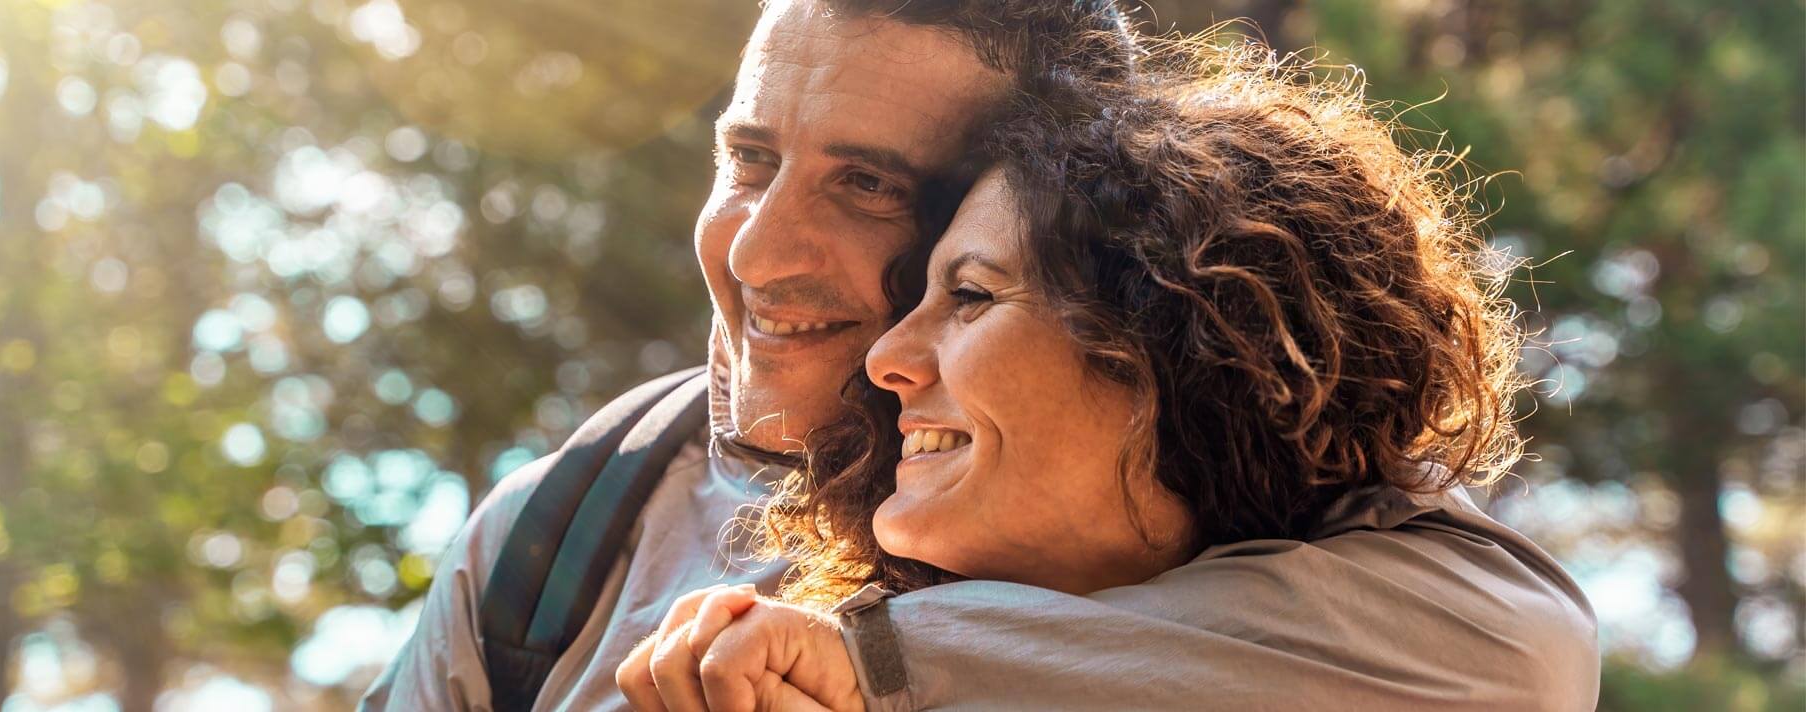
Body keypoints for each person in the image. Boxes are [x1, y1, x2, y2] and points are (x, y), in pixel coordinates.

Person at [618, 33, 1601, 711]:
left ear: (1190, 350)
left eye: (968, 298)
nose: (886, 359)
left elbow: (1516, 653)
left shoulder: (1447, 628)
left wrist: (870, 663)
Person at [359, 1, 1138, 709]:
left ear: (1043, 211)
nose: (755, 255)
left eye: (866, 183)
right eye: (750, 159)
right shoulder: (552, 534)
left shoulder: (1192, 517)